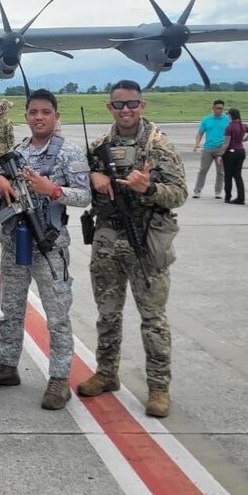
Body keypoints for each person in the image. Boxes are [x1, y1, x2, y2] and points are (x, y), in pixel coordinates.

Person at [78, 80, 187, 418]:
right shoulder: (99, 146)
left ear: (143, 106)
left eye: (132, 104)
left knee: (152, 319)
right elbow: (83, 188)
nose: (126, 110)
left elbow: (179, 194)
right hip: (108, 239)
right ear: (110, 108)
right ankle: (107, 372)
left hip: (145, 240)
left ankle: (158, 387)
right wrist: (95, 177)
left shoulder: (159, 146)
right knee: (107, 314)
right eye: (119, 104)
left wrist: (149, 187)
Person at [0, 90, 91, 409]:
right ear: (26, 116)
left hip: (49, 244)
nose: (39, 117)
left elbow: (85, 196)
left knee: (57, 314)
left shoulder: (68, 152)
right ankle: (7, 364)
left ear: (56, 116)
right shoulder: (17, 152)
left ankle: (59, 378)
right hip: (16, 241)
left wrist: (53, 190)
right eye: (33, 112)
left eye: (46, 112)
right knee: (11, 307)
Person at [192, 99, 229, 198]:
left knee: (220, 172)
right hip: (208, 149)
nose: (219, 110)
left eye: (221, 108)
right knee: (203, 170)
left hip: (220, 149)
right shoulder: (206, 119)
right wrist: (196, 144)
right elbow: (200, 133)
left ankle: (218, 192)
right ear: (213, 108)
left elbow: (230, 134)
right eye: (217, 108)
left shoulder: (227, 119)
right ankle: (197, 191)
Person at [219, 107, 248, 205]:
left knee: (228, 175)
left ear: (230, 115)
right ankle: (241, 197)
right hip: (241, 151)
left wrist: (220, 154)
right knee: (238, 175)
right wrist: (245, 140)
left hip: (231, 153)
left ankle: (228, 196)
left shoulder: (229, 127)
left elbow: (226, 143)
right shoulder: (243, 126)